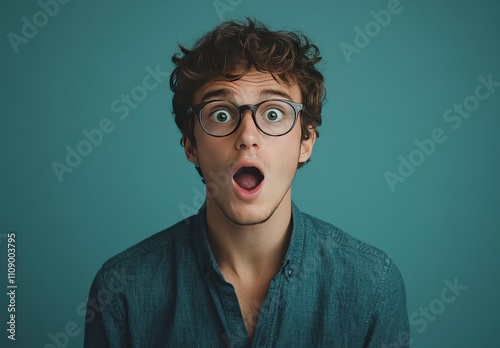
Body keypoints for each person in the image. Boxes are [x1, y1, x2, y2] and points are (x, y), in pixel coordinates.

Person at [84, 18, 409, 347]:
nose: (248, 136)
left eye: (273, 113)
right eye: (221, 114)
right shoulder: (121, 290)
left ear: (306, 140)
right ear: (191, 144)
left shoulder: (372, 286)